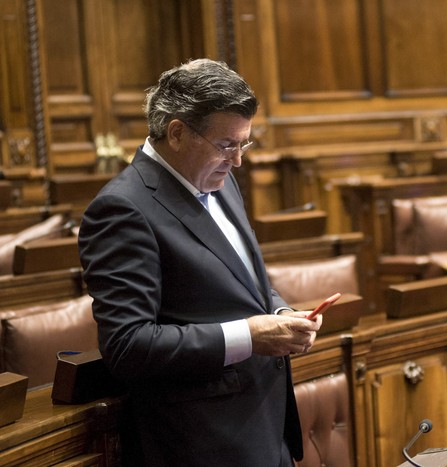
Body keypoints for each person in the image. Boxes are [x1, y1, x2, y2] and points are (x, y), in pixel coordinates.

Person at [78, 58, 322, 466]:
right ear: (177, 133)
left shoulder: (220, 182)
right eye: (228, 145)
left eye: (245, 143)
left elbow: (241, 278)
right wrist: (248, 335)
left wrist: (280, 312)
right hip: (202, 442)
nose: (239, 160)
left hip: (265, 425)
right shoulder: (122, 209)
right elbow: (128, 346)